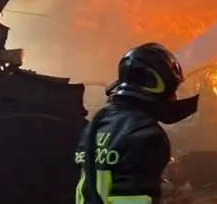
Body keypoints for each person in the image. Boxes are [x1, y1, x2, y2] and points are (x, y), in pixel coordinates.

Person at [75, 43, 200, 204]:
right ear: (155, 85)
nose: (175, 98)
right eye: (172, 90)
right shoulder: (146, 136)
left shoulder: (97, 123)